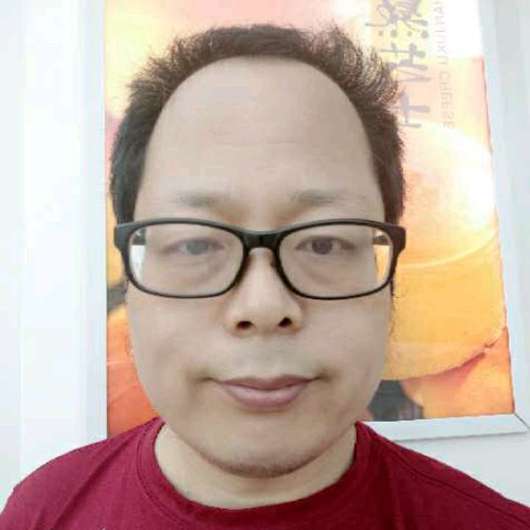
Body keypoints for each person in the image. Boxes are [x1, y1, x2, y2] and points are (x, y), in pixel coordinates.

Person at [2, 22, 529, 530]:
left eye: (324, 242)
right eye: (195, 243)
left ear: (389, 281)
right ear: (132, 287)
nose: (262, 306)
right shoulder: (43, 511)